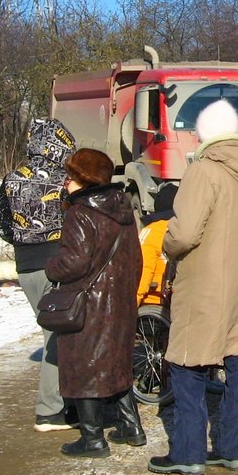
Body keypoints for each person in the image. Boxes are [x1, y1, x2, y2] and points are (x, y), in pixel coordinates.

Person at [148, 100, 238, 475]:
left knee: (187, 364)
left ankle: (188, 452)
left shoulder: (204, 170)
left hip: (204, 283)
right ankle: (232, 449)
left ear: (205, 134)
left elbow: (184, 234)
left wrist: (166, 244)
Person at [45, 148, 144, 458]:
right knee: (116, 363)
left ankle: (93, 439)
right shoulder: (123, 207)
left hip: (89, 305)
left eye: (71, 176)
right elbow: (135, 259)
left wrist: (51, 267)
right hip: (120, 303)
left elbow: (73, 262)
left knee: (84, 367)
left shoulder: (80, 212)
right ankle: (131, 427)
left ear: (83, 179)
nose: (65, 182)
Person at [0, 117, 78, 433]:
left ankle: (61, 402)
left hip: (24, 266)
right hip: (56, 263)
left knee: (54, 332)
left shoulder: (11, 178)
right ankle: (51, 410)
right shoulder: (64, 179)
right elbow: (77, 220)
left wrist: (23, 241)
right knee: (58, 335)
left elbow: (1, 223)